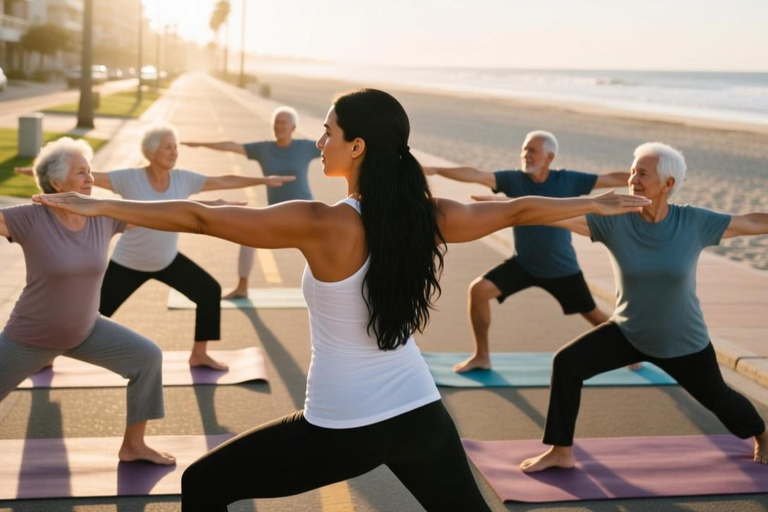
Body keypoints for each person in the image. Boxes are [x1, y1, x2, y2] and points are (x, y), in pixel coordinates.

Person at [35, 89, 649, 511]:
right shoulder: (428, 215)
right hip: (420, 416)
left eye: (328, 133)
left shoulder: (322, 222)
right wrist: (590, 202)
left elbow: (202, 217)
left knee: (202, 484)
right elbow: (516, 209)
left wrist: (99, 203)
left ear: (356, 147)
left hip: (342, 427)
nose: (319, 141)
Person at [516, 142, 768, 473]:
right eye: (633, 171)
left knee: (722, 401)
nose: (633, 178)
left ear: (668, 184)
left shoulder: (693, 222)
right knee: (567, 364)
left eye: (643, 173)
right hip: (628, 333)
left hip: (683, 341)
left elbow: (752, 223)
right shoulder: (613, 221)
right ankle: (560, 450)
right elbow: (555, 217)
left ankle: (763, 434)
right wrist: (507, 208)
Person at [42, 123, 293, 371]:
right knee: (91, 312)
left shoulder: (183, 179)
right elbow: (94, 178)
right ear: (151, 153)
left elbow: (222, 180)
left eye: (175, 147)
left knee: (209, 291)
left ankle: (199, 354)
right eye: (167, 147)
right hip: (128, 263)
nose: (174, 152)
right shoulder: (130, 178)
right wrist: (49, 174)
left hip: (166, 260)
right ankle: (49, 354)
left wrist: (263, 180)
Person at [0, 138, 174, 465]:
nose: (90, 178)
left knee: (148, 358)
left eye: (90, 171)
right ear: (56, 182)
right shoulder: (31, 218)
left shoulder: (103, 215)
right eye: (81, 172)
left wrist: (213, 213)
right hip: (28, 337)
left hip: (86, 331)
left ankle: (134, 446)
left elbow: (159, 215)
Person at [424, 132, 635, 373]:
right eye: (524, 149)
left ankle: (629, 350)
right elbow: (476, 174)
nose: (526, 154)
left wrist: (642, 176)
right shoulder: (514, 180)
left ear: (549, 157)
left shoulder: (568, 180)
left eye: (532, 151)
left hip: (562, 269)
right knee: (479, 290)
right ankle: (481, 356)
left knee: (596, 317)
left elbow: (609, 179)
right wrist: (437, 169)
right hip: (523, 264)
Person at [183, 106, 321, 299]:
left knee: (322, 248)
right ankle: (242, 287)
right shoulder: (263, 149)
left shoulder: (305, 147)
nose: (279, 126)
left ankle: (329, 290)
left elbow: (336, 146)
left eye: (284, 123)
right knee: (247, 238)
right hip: (276, 212)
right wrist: (200, 144)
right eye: (276, 122)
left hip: (305, 212)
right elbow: (233, 145)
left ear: (293, 127)